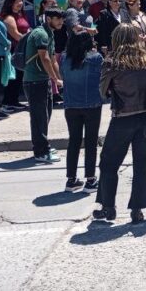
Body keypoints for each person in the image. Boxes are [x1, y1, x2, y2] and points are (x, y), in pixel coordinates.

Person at [94, 24, 146, 224]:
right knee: (142, 164)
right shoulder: (145, 60)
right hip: (145, 118)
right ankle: (137, 210)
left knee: (108, 163)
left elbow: (102, 92)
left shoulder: (111, 62)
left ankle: (108, 207)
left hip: (123, 118)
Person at [60, 31, 103, 194]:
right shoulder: (95, 58)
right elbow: (102, 75)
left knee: (74, 141)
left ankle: (71, 179)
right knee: (91, 142)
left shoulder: (65, 58)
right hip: (91, 104)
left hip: (71, 104)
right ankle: (90, 179)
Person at [23, 8, 65, 163]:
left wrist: (59, 80)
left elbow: (53, 60)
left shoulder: (50, 33)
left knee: (45, 116)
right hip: (34, 82)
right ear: (48, 19)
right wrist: (54, 79)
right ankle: (41, 152)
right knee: (39, 118)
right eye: (57, 19)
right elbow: (44, 58)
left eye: (62, 19)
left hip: (43, 81)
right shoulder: (40, 34)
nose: (61, 22)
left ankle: (43, 145)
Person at [0, 0, 30, 111]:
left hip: (22, 49)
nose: (20, 3)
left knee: (19, 76)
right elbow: (16, 35)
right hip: (14, 50)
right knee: (13, 76)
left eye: (21, 1)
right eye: (17, 1)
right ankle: (8, 101)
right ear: (10, 3)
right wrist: (30, 42)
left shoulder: (21, 15)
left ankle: (14, 100)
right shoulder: (9, 17)